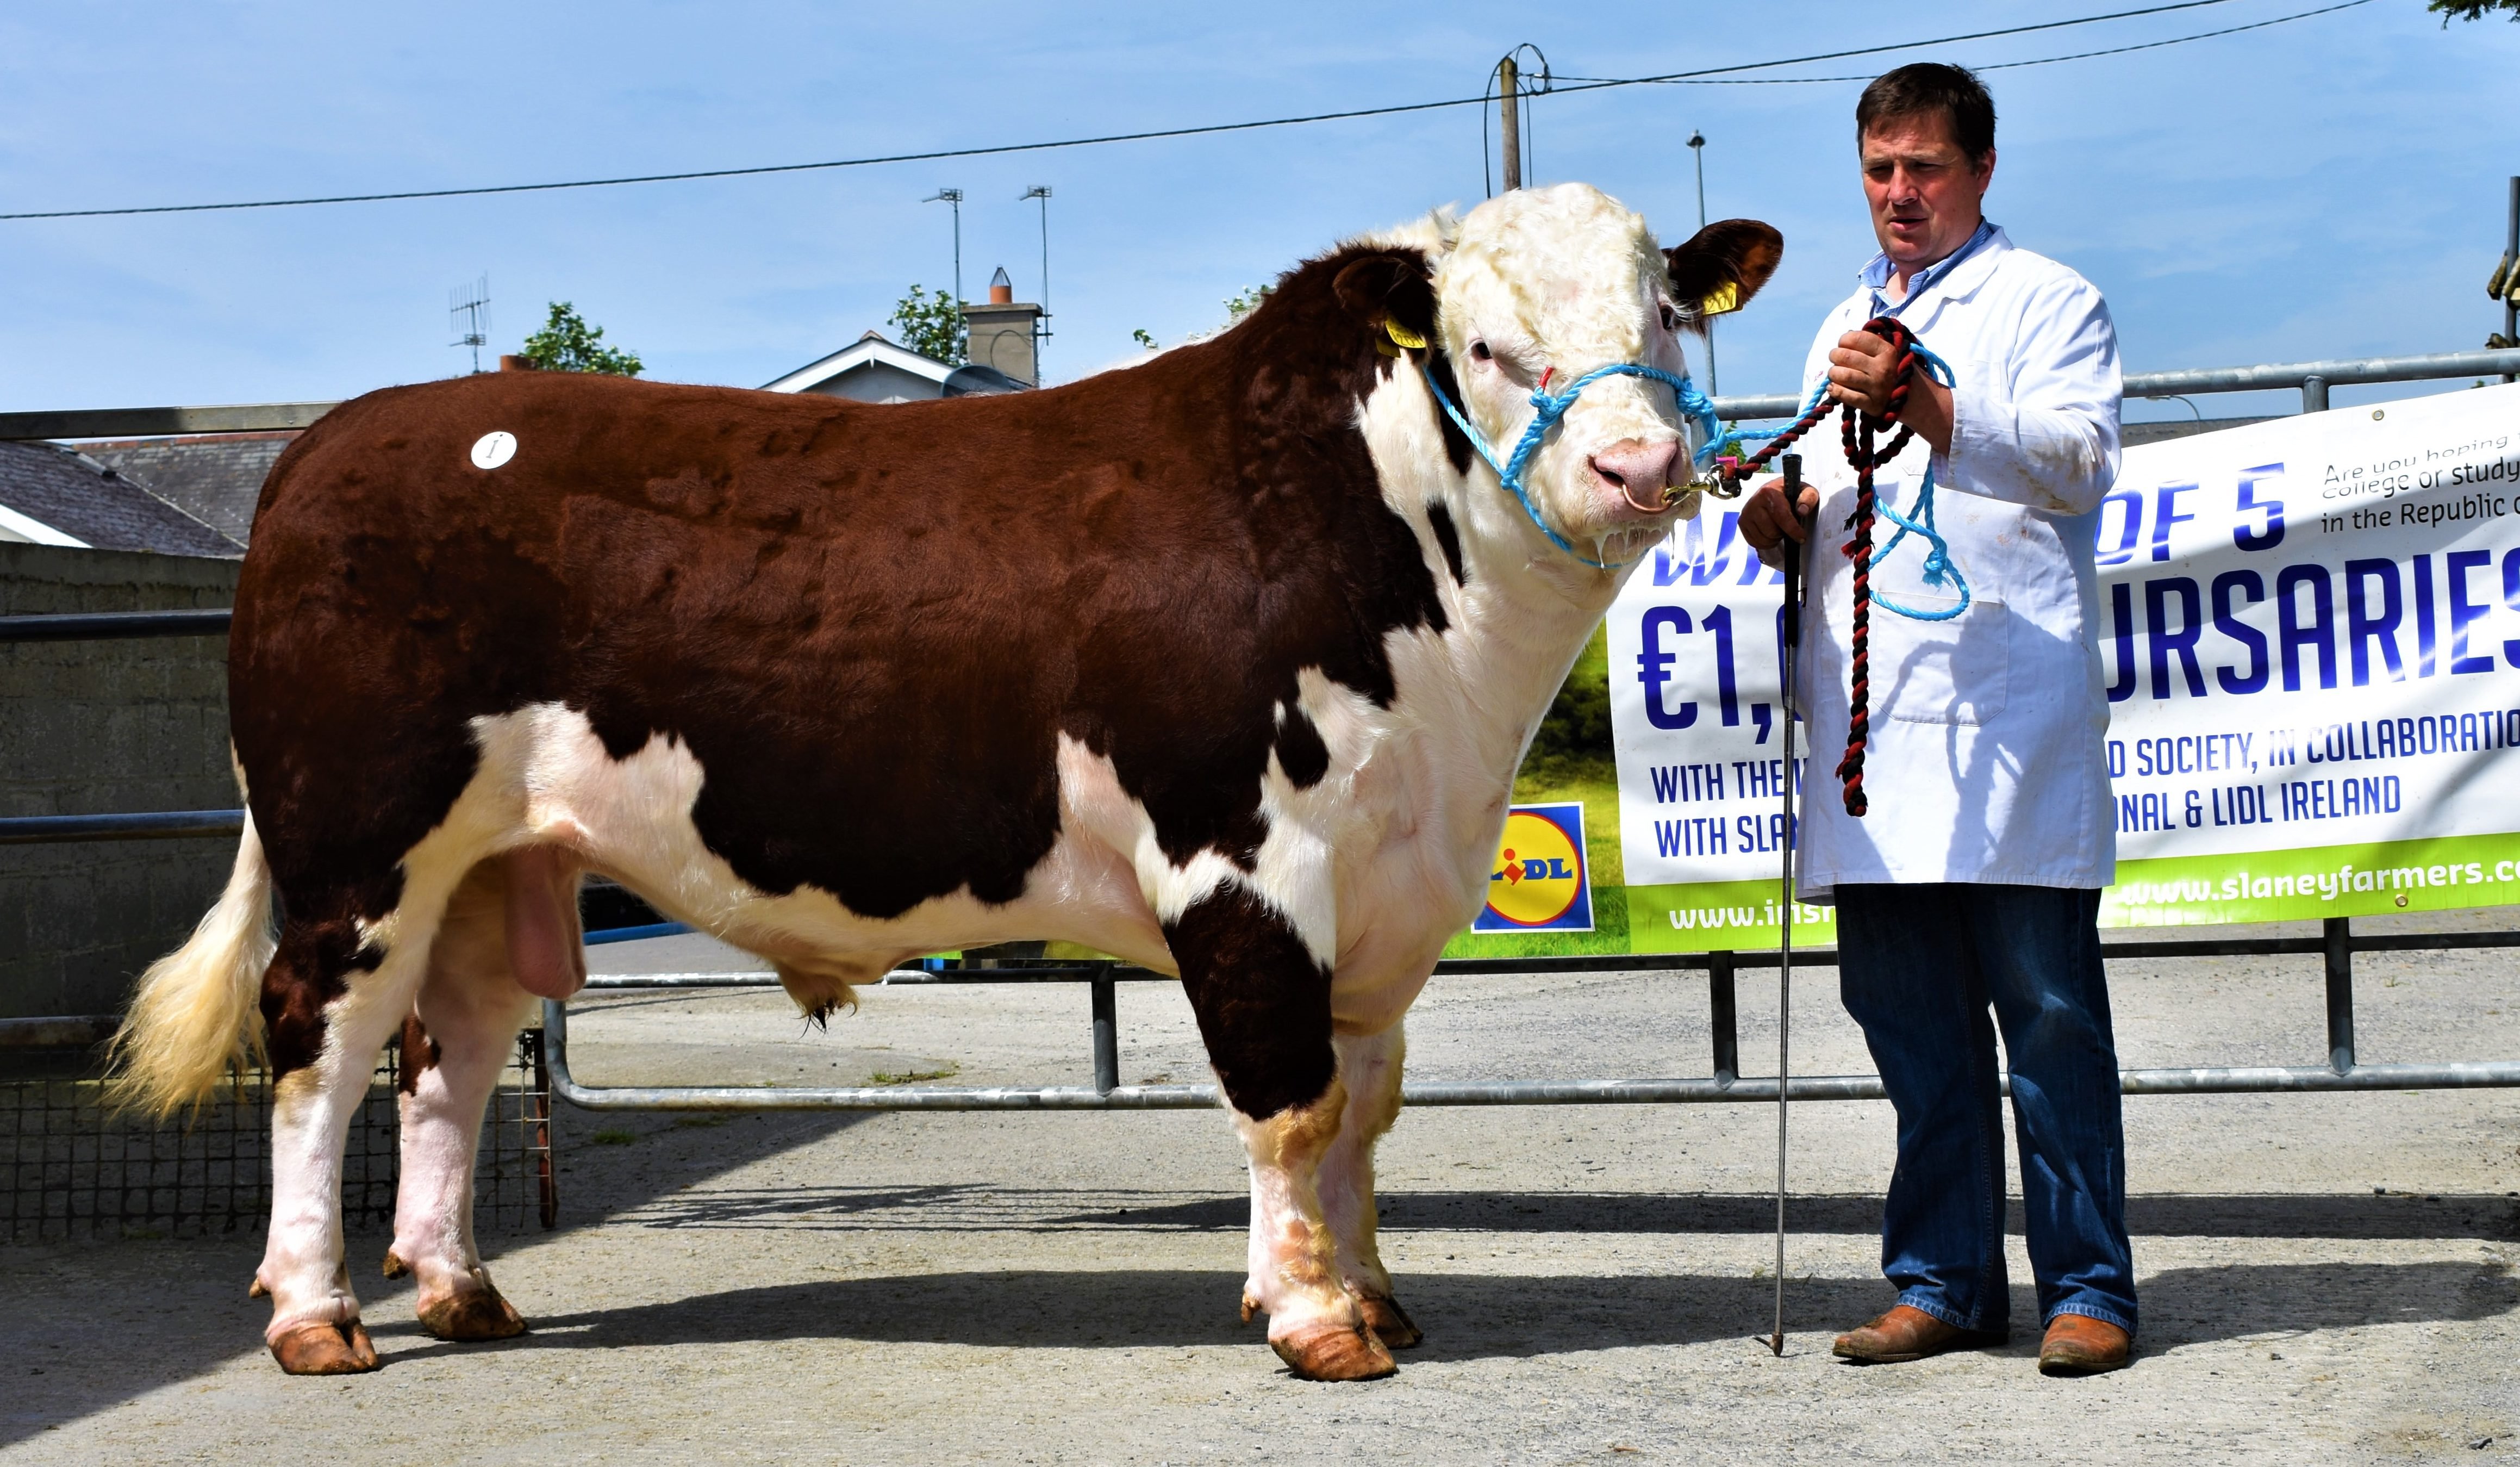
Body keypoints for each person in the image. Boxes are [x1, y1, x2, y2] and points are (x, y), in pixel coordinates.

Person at [1738, 62, 2134, 1376]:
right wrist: (1777, 519)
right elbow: (1816, 487)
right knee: (1907, 1027)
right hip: (1878, 729)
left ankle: (2087, 1285)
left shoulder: (2048, 300)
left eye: (1922, 168)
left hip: (2005, 720)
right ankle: (1941, 1279)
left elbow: (2076, 463)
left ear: (1979, 172)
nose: (1896, 194)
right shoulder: (1836, 322)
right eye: (1877, 169)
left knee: (2048, 1019)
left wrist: (1932, 406)